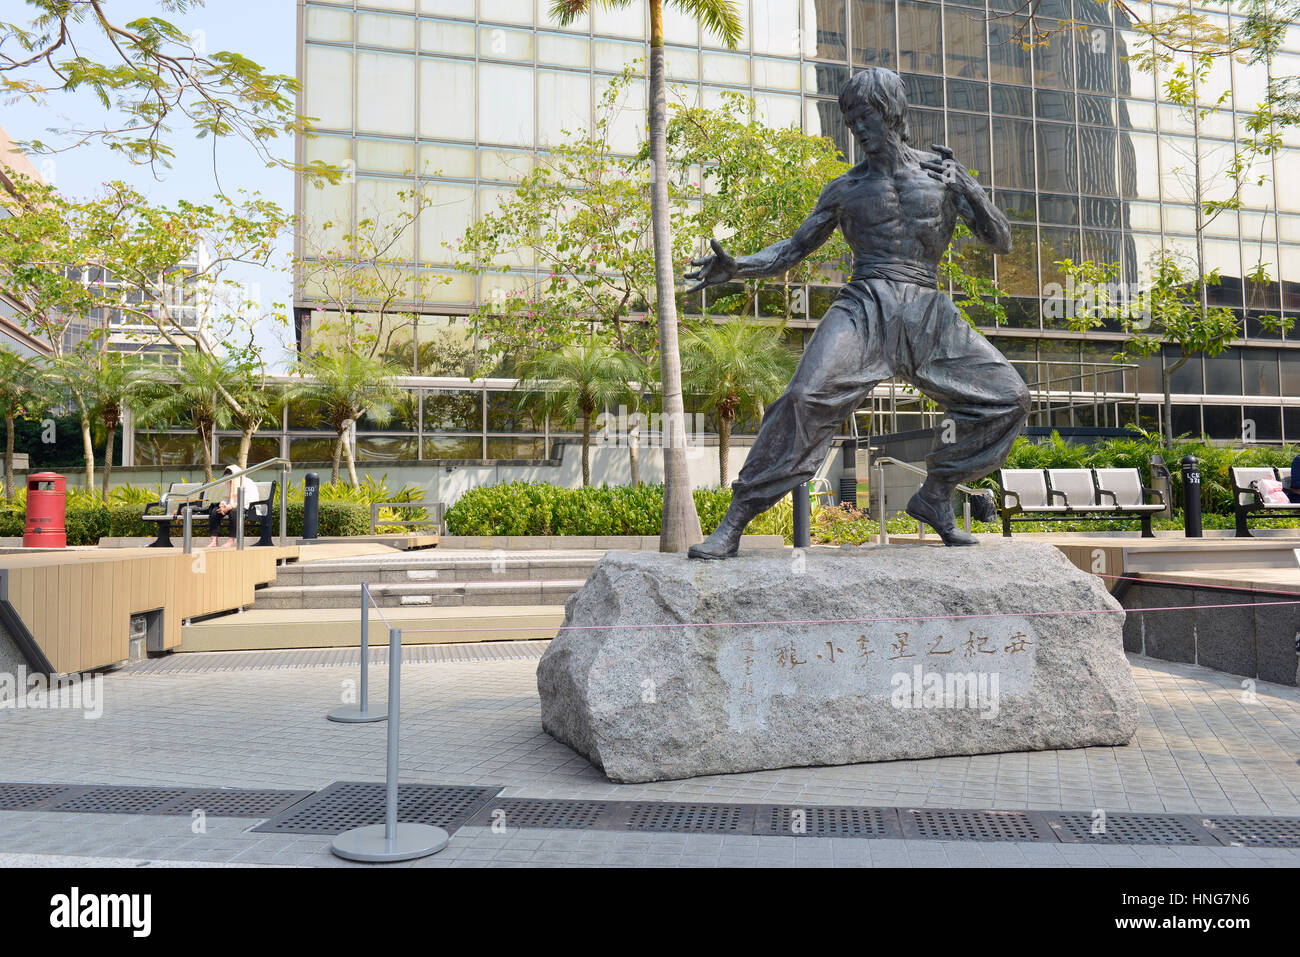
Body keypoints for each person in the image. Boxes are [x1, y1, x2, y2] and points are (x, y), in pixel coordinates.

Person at [683, 67, 1030, 558]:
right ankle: (735, 522)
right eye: (851, 121)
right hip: (865, 305)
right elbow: (793, 250)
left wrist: (969, 187)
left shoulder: (942, 176)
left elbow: (1001, 241)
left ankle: (935, 495)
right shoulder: (845, 189)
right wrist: (739, 267)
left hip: (927, 309)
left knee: (1009, 399)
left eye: (865, 117)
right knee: (803, 399)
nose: (858, 130)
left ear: (892, 113)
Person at [207, 465, 259, 548]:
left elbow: (246, 500)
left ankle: (230, 541)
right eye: (227, 478)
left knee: (234, 512)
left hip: (248, 506)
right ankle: (214, 541)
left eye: (230, 478)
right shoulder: (229, 483)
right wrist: (222, 504)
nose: (229, 480)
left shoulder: (247, 482)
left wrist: (229, 507)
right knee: (215, 511)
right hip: (231, 506)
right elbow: (226, 497)